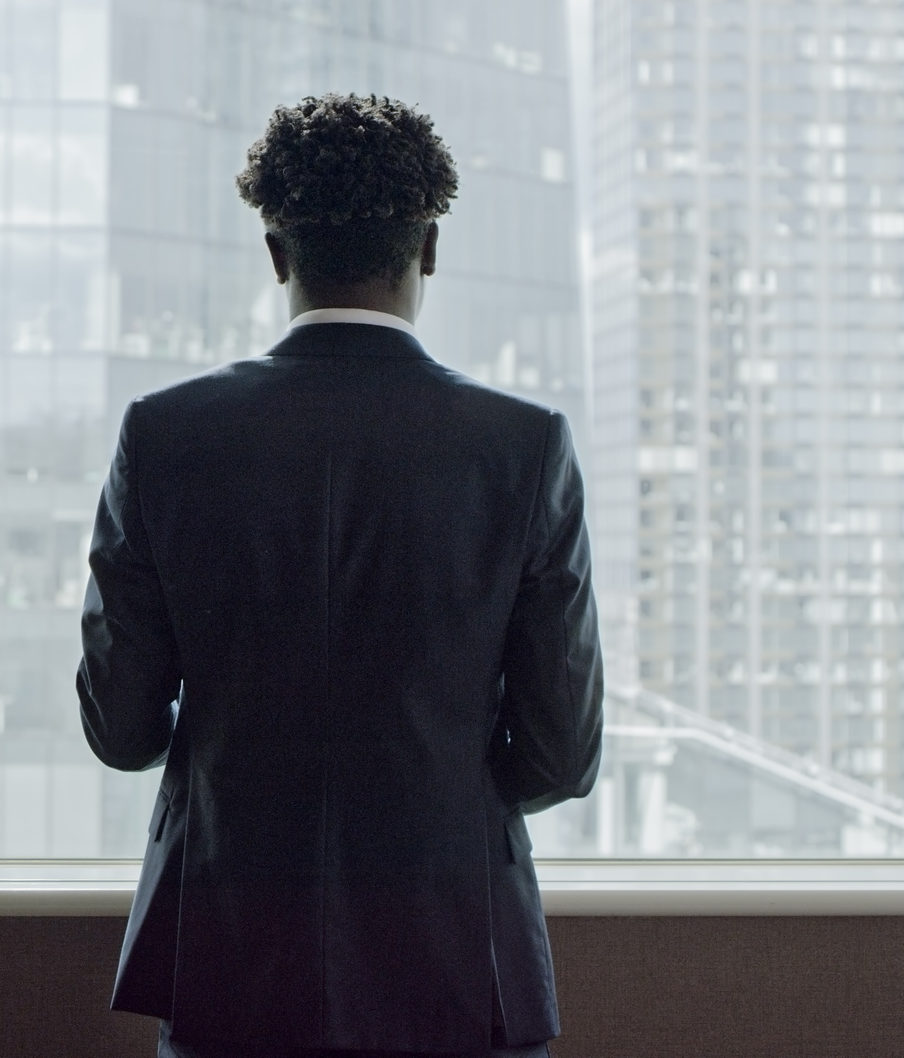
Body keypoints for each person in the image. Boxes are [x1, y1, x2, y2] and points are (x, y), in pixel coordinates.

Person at [76, 94, 604, 1058]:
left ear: (277, 252)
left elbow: (121, 731)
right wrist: (435, 789)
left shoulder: (164, 434)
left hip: (229, 956)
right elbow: (561, 754)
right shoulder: (522, 447)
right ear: (429, 247)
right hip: (457, 956)